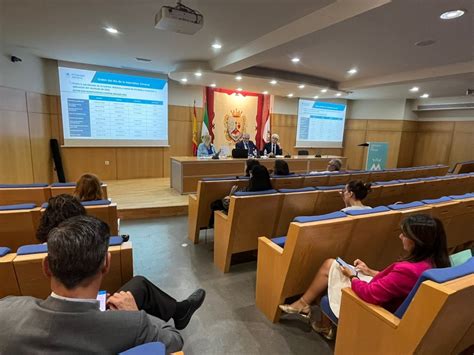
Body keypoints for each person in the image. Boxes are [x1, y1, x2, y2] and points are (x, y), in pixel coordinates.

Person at [0, 215, 207, 353]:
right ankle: (179, 311)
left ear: (46, 267)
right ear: (106, 264)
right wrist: (133, 314)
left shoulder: (6, 309)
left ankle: (179, 310)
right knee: (136, 292)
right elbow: (174, 340)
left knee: (139, 285)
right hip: (107, 324)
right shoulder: (134, 325)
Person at [279, 214, 450, 340]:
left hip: (374, 309)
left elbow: (370, 294)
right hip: (385, 297)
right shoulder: (433, 261)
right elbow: (395, 282)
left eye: (404, 234)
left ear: (417, 240)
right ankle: (309, 310)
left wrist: (354, 277)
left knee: (330, 265)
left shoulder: (408, 270)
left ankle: (308, 309)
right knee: (332, 265)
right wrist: (368, 271)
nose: (400, 236)